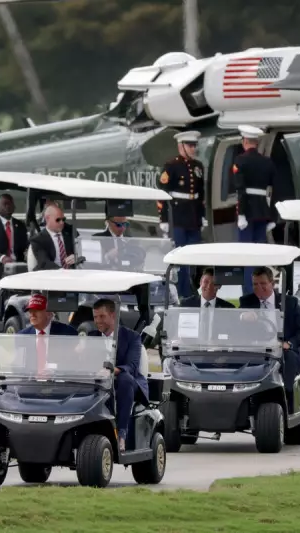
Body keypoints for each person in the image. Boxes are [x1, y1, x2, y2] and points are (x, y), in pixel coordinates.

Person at [238, 266, 300, 411]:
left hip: (282, 348)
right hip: (255, 348)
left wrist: (290, 343)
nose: (259, 288)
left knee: (288, 359)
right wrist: (242, 317)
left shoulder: (289, 302)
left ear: (272, 283)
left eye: (263, 284)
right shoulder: (247, 302)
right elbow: (234, 328)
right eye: (255, 284)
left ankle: (288, 400)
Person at [88, 298, 148, 452]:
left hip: (126, 380)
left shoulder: (132, 337)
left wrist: (111, 370)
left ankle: (121, 434)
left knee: (124, 379)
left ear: (113, 316)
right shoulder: (91, 336)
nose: (98, 321)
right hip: (98, 379)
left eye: (102, 317)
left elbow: (132, 366)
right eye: (95, 317)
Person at [157, 130, 208, 299]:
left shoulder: (198, 166)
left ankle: (193, 290)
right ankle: (181, 292)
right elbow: (162, 194)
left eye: (194, 145)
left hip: (193, 217)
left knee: (194, 258)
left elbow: (201, 194)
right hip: (178, 217)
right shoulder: (171, 166)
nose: (193, 149)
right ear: (181, 146)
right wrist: (163, 218)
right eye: (190, 145)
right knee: (180, 258)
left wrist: (202, 215)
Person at [232, 125, 278, 295]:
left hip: (248, 213)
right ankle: (261, 292)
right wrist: (272, 217)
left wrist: (242, 214)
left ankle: (248, 293)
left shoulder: (241, 161)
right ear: (256, 143)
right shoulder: (267, 162)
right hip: (262, 212)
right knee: (259, 256)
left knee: (246, 256)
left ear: (245, 141)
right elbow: (276, 190)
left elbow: (240, 190)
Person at [29, 204, 78, 270]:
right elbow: (44, 263)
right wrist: (61, 271)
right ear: (47, 219)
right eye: (58, 220)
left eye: (63, 219)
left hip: (73, 272)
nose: (62, 223)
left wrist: (76, 257)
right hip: (51, 275)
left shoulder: (70, 232)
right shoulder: (38, 240)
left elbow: (82, 252)